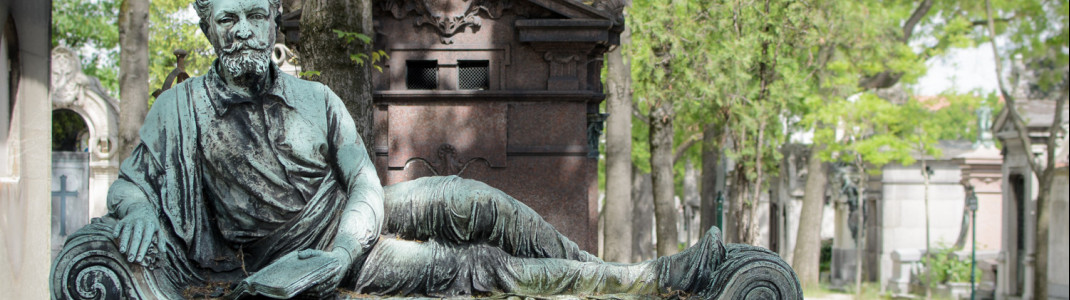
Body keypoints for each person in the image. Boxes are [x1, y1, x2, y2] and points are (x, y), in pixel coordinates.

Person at [51, 0, 798, 299]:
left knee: (476, 200)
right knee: (481, 270)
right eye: (226, 19)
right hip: (289, 260)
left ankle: (637, 273)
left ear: (269, 18)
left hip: (348, 231)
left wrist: (343, 245)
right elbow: (132, 183)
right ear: (208, 28)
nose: (242, 30)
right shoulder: (177, 113)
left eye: (253, 14)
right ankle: (651, 282)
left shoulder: (315, 100)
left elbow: (362, 183)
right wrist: (137, 204)